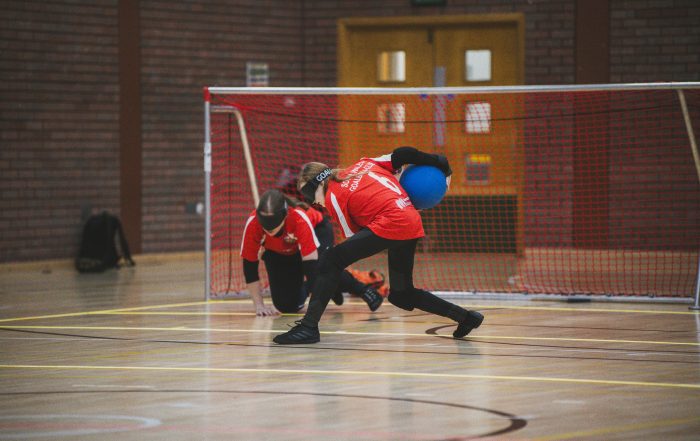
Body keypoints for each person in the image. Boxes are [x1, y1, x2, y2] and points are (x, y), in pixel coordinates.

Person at [273, 146, 484, 344]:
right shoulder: (364, 164)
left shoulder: (332, 198)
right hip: (409, 219)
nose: (311, 202)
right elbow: (402, 154)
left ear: (316, 185)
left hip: (392, 222)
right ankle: (466, 317)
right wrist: (438, 161)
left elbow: (353, 242)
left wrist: (327, 281)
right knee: (402, 295)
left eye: (307, 195)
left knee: (331, 259)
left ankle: (309, 327)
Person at [241, 189, 384, 316]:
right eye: (265, 226)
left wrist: (316, 307)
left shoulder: (298, 218)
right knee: (286, 306)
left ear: (285, 216)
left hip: (318, 231)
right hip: (282, 249)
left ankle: (362, 289)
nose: (268, 231)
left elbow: (311, 267)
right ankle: (331, 287)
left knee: (325, 267)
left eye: (272, 228)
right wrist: (259, 305)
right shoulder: (253, 223)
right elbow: (250, 267)